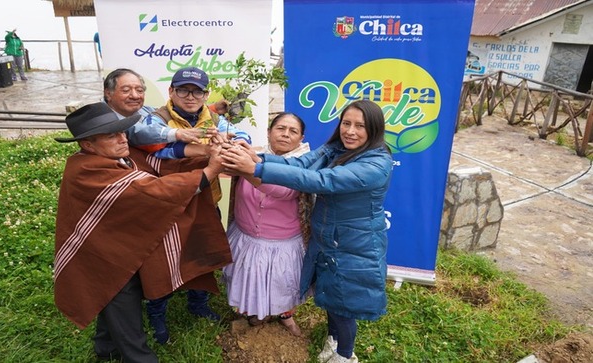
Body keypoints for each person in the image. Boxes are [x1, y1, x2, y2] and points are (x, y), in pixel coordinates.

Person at [54, 102, 232, 362]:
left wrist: (206, 154)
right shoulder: (86, 170)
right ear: (88, 145)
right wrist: (210, 170)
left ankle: (106, 349)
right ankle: (139, 358)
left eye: (123, 131)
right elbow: (152, 191)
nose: (122, 139)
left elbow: (163, 167)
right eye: (111, 135)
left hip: (117, 248)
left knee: (110, 299)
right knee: (123, 307)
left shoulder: (116, 156)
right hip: (103, 258)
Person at [222, 100, 393, 363]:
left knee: (344, 305)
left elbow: (321, 180)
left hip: (354, 243)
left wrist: (255, 169)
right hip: (330, 238)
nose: (350, 131)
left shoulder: (375, 164)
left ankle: (345, 356)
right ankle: (333, 340)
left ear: (375, 129)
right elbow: (301, 166)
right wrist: (257, 158)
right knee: (332, 296)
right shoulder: (336, 149)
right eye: (346, 123)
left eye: (360, 126)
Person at [102, 67, 249, 344]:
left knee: (203, 253)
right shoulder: (155, 118)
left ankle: (198, 303)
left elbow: (239, 133)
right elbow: (151, 141)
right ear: (171, 92)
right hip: (168, 204)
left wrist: (237, 142)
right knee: (163, 262)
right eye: (183, 90)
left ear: (206, 95)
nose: (190, 96)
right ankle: (158, 314)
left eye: (197, 91)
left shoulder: (213, 118)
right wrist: (189, 142)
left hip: (205, 199)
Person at [222, 112, 312, 337]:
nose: (285, 134)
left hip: (283, 242)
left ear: (301, 139)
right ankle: (255, 311)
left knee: (283, 284)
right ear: (269, 132)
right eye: (280, 128)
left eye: (293, 131)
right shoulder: (252, 155)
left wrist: (248, 169)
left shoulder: (305, 164)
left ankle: (285, 314)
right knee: (247, 278)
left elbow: (284, 190)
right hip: (246, 236)